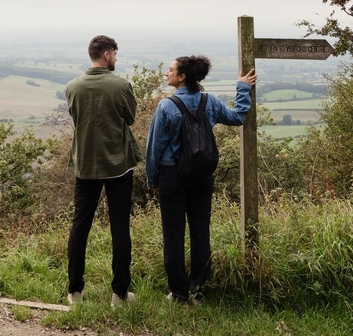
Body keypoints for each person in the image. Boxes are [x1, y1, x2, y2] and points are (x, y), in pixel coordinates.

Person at [145, 55, 256, 304]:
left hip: (172, 176)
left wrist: (152, 178)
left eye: (171, 70)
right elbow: (237, 117)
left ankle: (178, 293)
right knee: (200, 233)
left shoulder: (167, 106)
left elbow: (155, 148)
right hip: (202, 176)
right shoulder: (210, 101)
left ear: (182, 77)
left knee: (173, 235)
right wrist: (243, 88)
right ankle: (197, 289)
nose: (167, 73)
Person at [65, 35, 143, 308]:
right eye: (115, 54)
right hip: (118, 165)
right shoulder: (121, 86)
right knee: (120, 226)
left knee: (80, 225)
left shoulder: (73, 87)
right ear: (107, 54)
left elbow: (77, 118)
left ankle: (75, 292)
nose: (116, 59)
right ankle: (119, 295)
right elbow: (131, 118)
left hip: (85, 164)